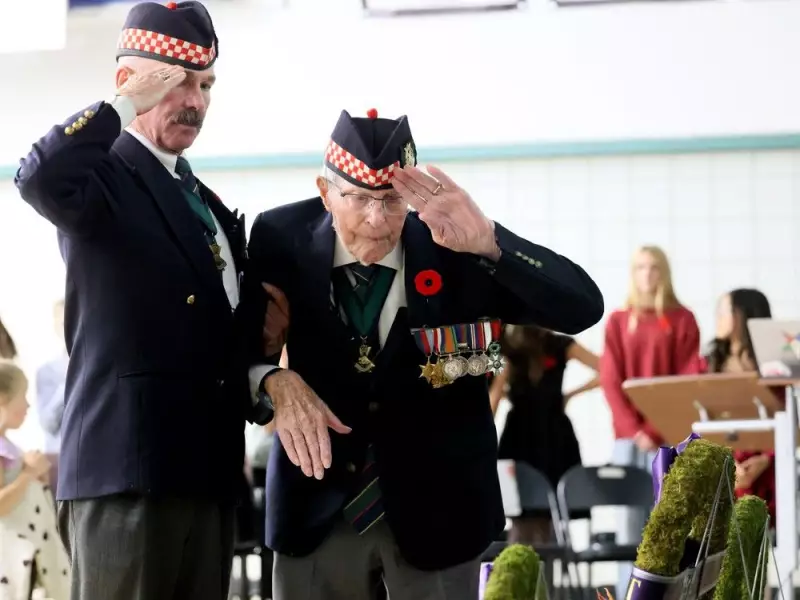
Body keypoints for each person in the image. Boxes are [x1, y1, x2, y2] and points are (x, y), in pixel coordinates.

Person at [238, 108, 605, 600]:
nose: (376, 220)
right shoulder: (281, 238)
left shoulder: (452, 244)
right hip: (318, 507)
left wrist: (493, 244)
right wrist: (270, 379)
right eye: (360, 199)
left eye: (391, 202)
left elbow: (583, 306)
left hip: (442, 509)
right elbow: (235, 347)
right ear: (325, 193)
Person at [13, 2, 272, 598]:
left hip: (204, 473)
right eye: (177, 81)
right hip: (127, 475)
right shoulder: (102, 175)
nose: (195, 101)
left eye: (205, 84)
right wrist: (125, 105)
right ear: (128, 81)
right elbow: (38, 177)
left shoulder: (200, 199)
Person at [599, 244, 701, 598]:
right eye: (641, 267)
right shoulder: (617, 321)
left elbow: (688, 382)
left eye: (654, 267)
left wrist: (658, 430)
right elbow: (610, 381)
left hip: (670, 439)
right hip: (629, 442)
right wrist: (635, 430)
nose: (648, 274)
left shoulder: (682, 319)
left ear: (664, 272)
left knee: (671, 523)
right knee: (629, 525)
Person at [488, 325, 599, 545]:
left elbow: (609, 369)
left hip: (540, 435)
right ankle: (538, 569)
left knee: (538, 511)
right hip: (535, 435)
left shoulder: (510, 347)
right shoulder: (507, 348)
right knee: (531, 511)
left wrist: (572, 395)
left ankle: (536, 569)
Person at [702, 288, 777, 523]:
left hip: (767, 468)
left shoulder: (775, 366)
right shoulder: (707, 365)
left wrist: (766, 459)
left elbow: (787, 415)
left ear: (742, 316)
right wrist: (728, 463)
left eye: (723, 311)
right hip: (722, 464)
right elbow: (697, 417)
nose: (718, 318)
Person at [0, 360, 70, 600]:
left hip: (32, 555)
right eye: (23, 396)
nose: (29, 404)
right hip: (13, 561)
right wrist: (28, 474)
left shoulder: (10, 448)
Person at [36, 299, 69, 493]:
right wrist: (70, 378)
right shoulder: (47, 372)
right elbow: (48, 423)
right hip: (59, 458)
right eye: (63, 322)